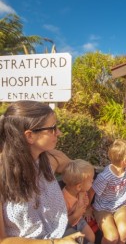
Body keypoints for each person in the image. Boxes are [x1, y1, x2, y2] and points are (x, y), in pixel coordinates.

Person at [0, 100, 84, 244]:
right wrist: (54, 243)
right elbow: (3, 240)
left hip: (61, 232)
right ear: (29, 136)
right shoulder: (3, 175)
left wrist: (80, 195)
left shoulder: (50, 159)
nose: (59, 133)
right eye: (52, 128)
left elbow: (77, 170)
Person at [88, 139, 126, 244]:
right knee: (112, 237)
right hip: (102, 209)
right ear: (125, 160)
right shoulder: (105, 177)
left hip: (120, 207)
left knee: (124, 233)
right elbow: (91, 192)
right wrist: (87, 208)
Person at [61, 159, 95, 244]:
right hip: (67, 226)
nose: (93, 181)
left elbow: (85, 205)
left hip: (79, 220)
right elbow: (63, 224)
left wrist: (84, 202)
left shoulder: (81, 192)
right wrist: (78, 212)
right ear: (79, 186)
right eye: (91, 180)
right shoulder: (63, 199)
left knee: (91, 237)